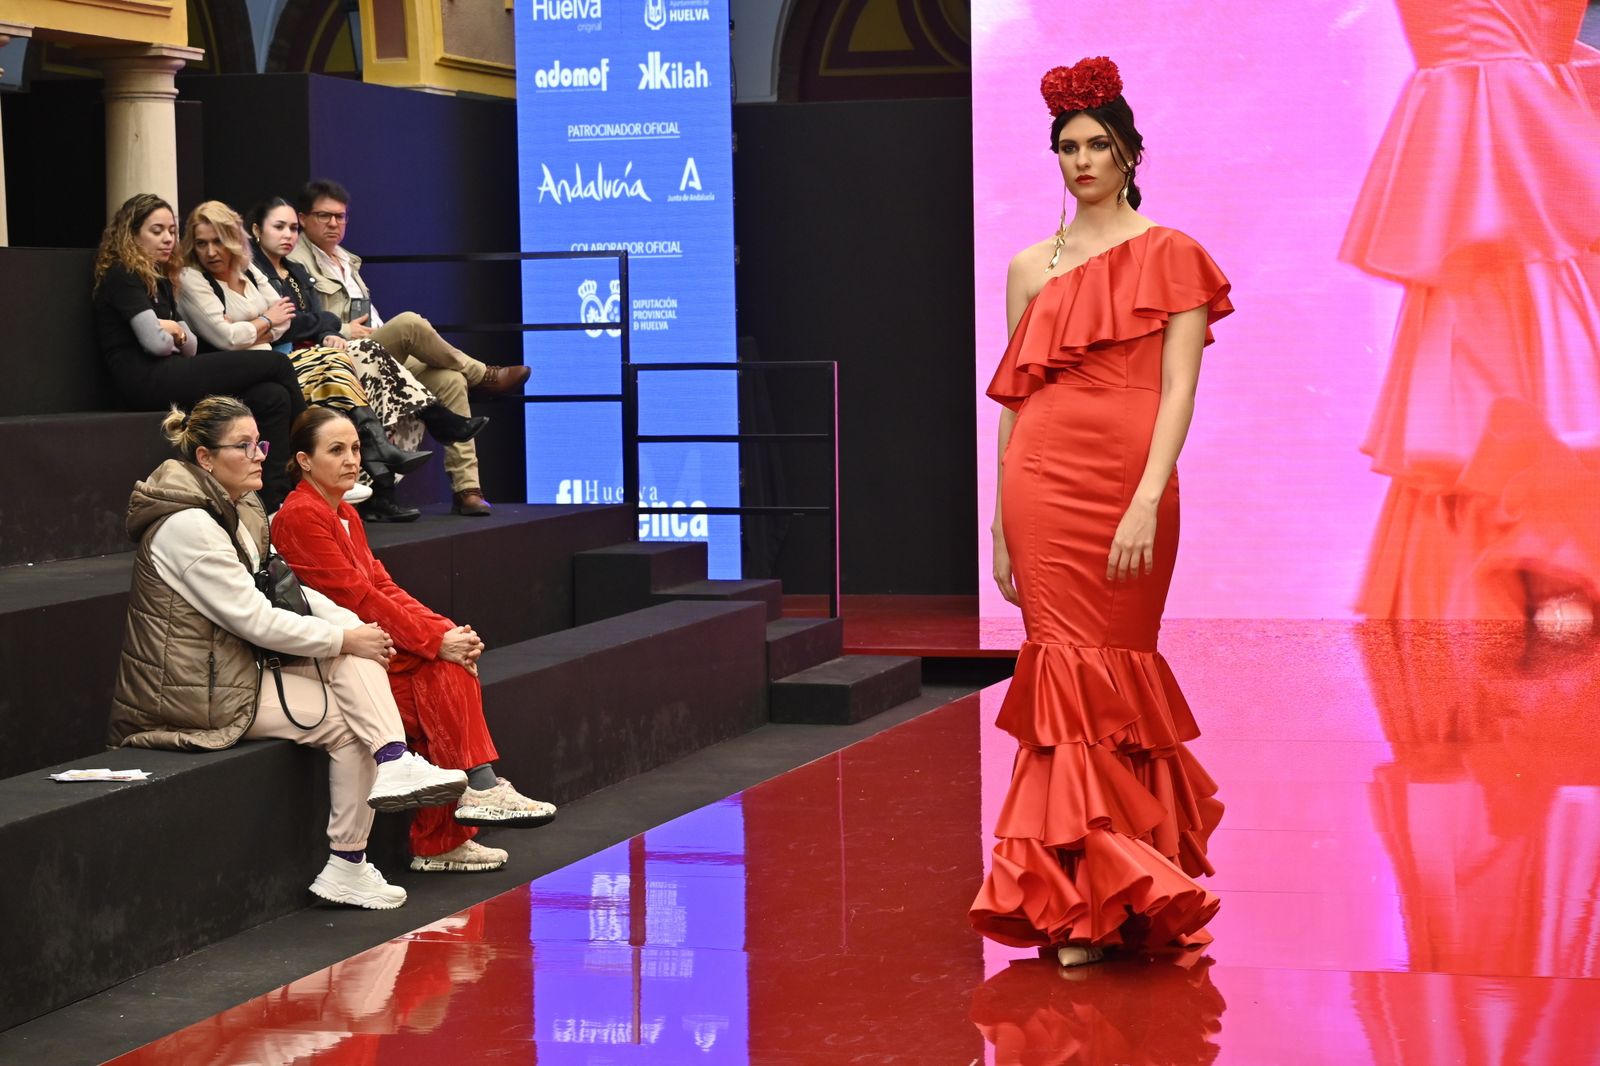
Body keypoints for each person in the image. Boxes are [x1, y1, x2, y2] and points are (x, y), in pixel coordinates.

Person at [967, 57, 1230, 967]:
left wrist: (1148, 498)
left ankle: (1129, 884)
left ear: (1128, 154)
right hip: (1041, 485)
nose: (1082, 161)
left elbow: (1179, 390)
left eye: (1098, 146)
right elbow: (1015, 401)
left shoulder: (1174, 254)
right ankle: (1075, 902)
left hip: (1128, 482)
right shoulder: (1027, 267)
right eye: (1069, 147)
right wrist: (1000, 519)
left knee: (1117, 675)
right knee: (1061, 678)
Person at [106, 395, 472, 909]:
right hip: (190, 694)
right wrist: (345, 638)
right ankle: (380, 792)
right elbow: (254, 619)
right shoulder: (187, 526)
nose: (259, 455)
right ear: (205, 458)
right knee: (351, 687)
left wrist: (355, 629)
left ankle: (364, 826)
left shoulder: (241, 508)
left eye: (260, 443)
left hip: (233, 671)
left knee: (355, 676)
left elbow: (292, 592)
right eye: (243, 446)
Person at [1341, 0, 1600, 637]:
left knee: (1535, 317)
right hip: (1490, 156)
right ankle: (1536, 574)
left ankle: (1548, 569)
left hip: (1541, 145)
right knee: (1499, 337)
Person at [273, 407, 557, 873]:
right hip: (332, 658)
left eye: (356, 449)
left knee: (448, 668)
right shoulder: (300, 516)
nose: (351, 460)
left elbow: (383, 586)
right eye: (336, 450)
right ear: (304, 461)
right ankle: (468, 805)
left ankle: (454, 825)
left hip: (368, 647)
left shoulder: (344, 512)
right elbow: (358, 598)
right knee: (442, 674)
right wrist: (434, 642)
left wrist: (444, 631)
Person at [178, 200, 486, 512]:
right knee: (384, 337)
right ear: (256, 231)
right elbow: (231, 337)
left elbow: (288, 320)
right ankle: (401, 439)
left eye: (218, 241)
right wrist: (267, 321)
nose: (211, 251)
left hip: (284, 361)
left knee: (440, 375)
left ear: (234, 239)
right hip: (263, 366)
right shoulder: (196, 277)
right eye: (202, 243)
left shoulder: (264, 270)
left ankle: (405, 471)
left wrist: (257, 327)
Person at [289, 179, 530, 516]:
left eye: (340, 217)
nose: (333, 224)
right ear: (303, 218)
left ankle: (467, 489)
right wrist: (343, 330)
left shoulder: (347, 260)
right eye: (324, 216)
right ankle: (482, 374)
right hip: (338, 358)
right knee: (409, 324)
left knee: (449, 380)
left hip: (374, 351)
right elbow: (304, 320)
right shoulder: (296, 262)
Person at [92, 193, 303, 512]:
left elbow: (189, 346)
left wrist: (172, 330)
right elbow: (155, 343)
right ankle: (310, 461)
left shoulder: (161, 276)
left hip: (171, 370)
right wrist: (173, 330)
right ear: (131, 234)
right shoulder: (124, 274)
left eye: (172, 231)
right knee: (277, 363)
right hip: (144, 380)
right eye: (157, 231)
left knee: (273, 396)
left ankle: (276, 502)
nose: (168, 239)